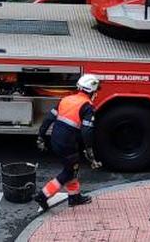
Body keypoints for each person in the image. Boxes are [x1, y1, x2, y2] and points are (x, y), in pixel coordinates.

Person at [34, 74, 102, 210]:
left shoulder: (66, 99)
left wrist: (40, 136)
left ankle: (74, 197)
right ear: (91, 91)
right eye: (96, 91)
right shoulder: (87, 106)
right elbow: (87, 131)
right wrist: (89, 150)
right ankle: (42, 196)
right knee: (69, 172)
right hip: (68, 144)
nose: (96, 94)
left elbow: (48, 119)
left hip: (56, 140)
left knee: (72, 168)